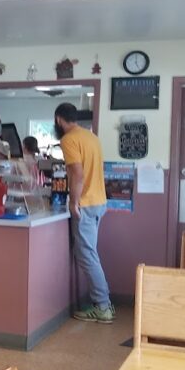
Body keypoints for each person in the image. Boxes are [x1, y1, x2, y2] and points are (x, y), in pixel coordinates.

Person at [53, 103, 114, 323]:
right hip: (99, 201)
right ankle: (103, 302)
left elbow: (77, 174)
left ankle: (103, 306)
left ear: (59, 120)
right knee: (90, 253)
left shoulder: (69, 139)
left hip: (85, 204)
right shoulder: (91, 137)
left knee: (87, 255)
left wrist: (73, 201)